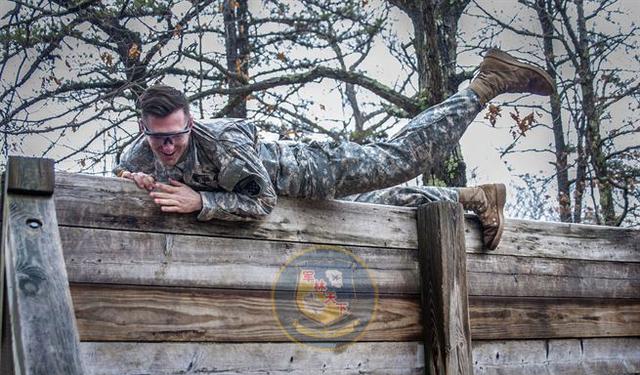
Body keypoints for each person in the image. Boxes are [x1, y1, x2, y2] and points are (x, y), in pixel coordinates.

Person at [114, 49, 554, 250]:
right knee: (383, 209)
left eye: (177, 134)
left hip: (313, 171)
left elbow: (262, 200)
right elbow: (123, 173)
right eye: (159, 138)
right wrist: (138, 181)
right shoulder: (139, 151)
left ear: (190, 122)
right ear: (144, 130)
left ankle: (486, 83)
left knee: (404, 158)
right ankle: (473, 197)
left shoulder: (219, 141)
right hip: (300, 206)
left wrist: (200, 201)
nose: (168, 146)